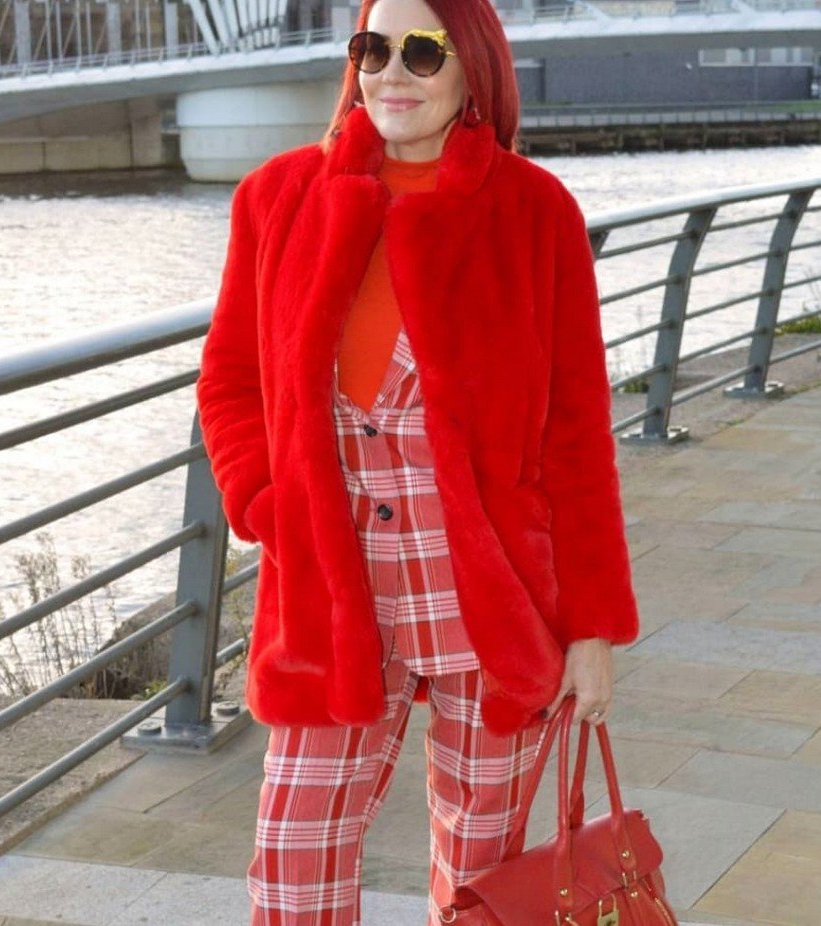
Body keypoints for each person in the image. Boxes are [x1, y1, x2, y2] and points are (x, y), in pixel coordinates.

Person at [194, 0, 640, 922]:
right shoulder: (278, 198)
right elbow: (231, 379)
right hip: (329, 589)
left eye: (423, 51)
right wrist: (265, 506)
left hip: (494, 596)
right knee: (293, 860)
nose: (392, 72)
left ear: (472, 69)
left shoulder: (534, 213)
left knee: (480, 883)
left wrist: (592, 629)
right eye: (373, 48)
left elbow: (577, 439)